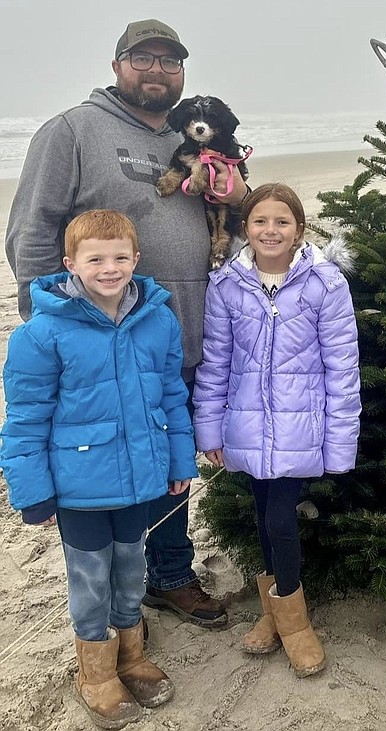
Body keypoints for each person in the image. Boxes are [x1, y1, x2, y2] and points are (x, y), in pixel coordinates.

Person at [4, 18, 248, 627]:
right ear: (117, 66)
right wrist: (49, 323)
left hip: (184, 331)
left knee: (169, 459)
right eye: (144, 59)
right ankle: (115, 595)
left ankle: (169, 575)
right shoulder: (72, 130)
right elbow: (33, 230)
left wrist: (239, 198)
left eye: (170, 61)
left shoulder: (191, 136)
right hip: (102, 341)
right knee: (109, 464)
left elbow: (232, 221)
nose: (157, 70)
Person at [0, 210, 199, 729]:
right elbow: (24, 421)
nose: (109, 268)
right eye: (95, 259)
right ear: (71, 264)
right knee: (91, 577)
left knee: (131, 569)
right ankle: (95, 672)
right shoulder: (41, 335)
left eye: (119, 257)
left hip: (139, 480)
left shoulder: (157, 319)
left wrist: (180, 460)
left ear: (135, 258)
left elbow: (172, 397)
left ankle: (130, 655)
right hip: (78, 488)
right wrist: (33, 494)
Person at [192, 183, 361, 677]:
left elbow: (342, 365)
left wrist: (339, 439)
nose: (271, 230)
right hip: (246, 426)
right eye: (260, 221)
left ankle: (294, 619)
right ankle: (272, 613)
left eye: (282, 222)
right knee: (265, 515)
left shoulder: (325, 284)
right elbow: (216, 363)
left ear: (299, 230)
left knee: (283, 519)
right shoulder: (226, 285)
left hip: (299, 427)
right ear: (245, 228)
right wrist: (210, 431)